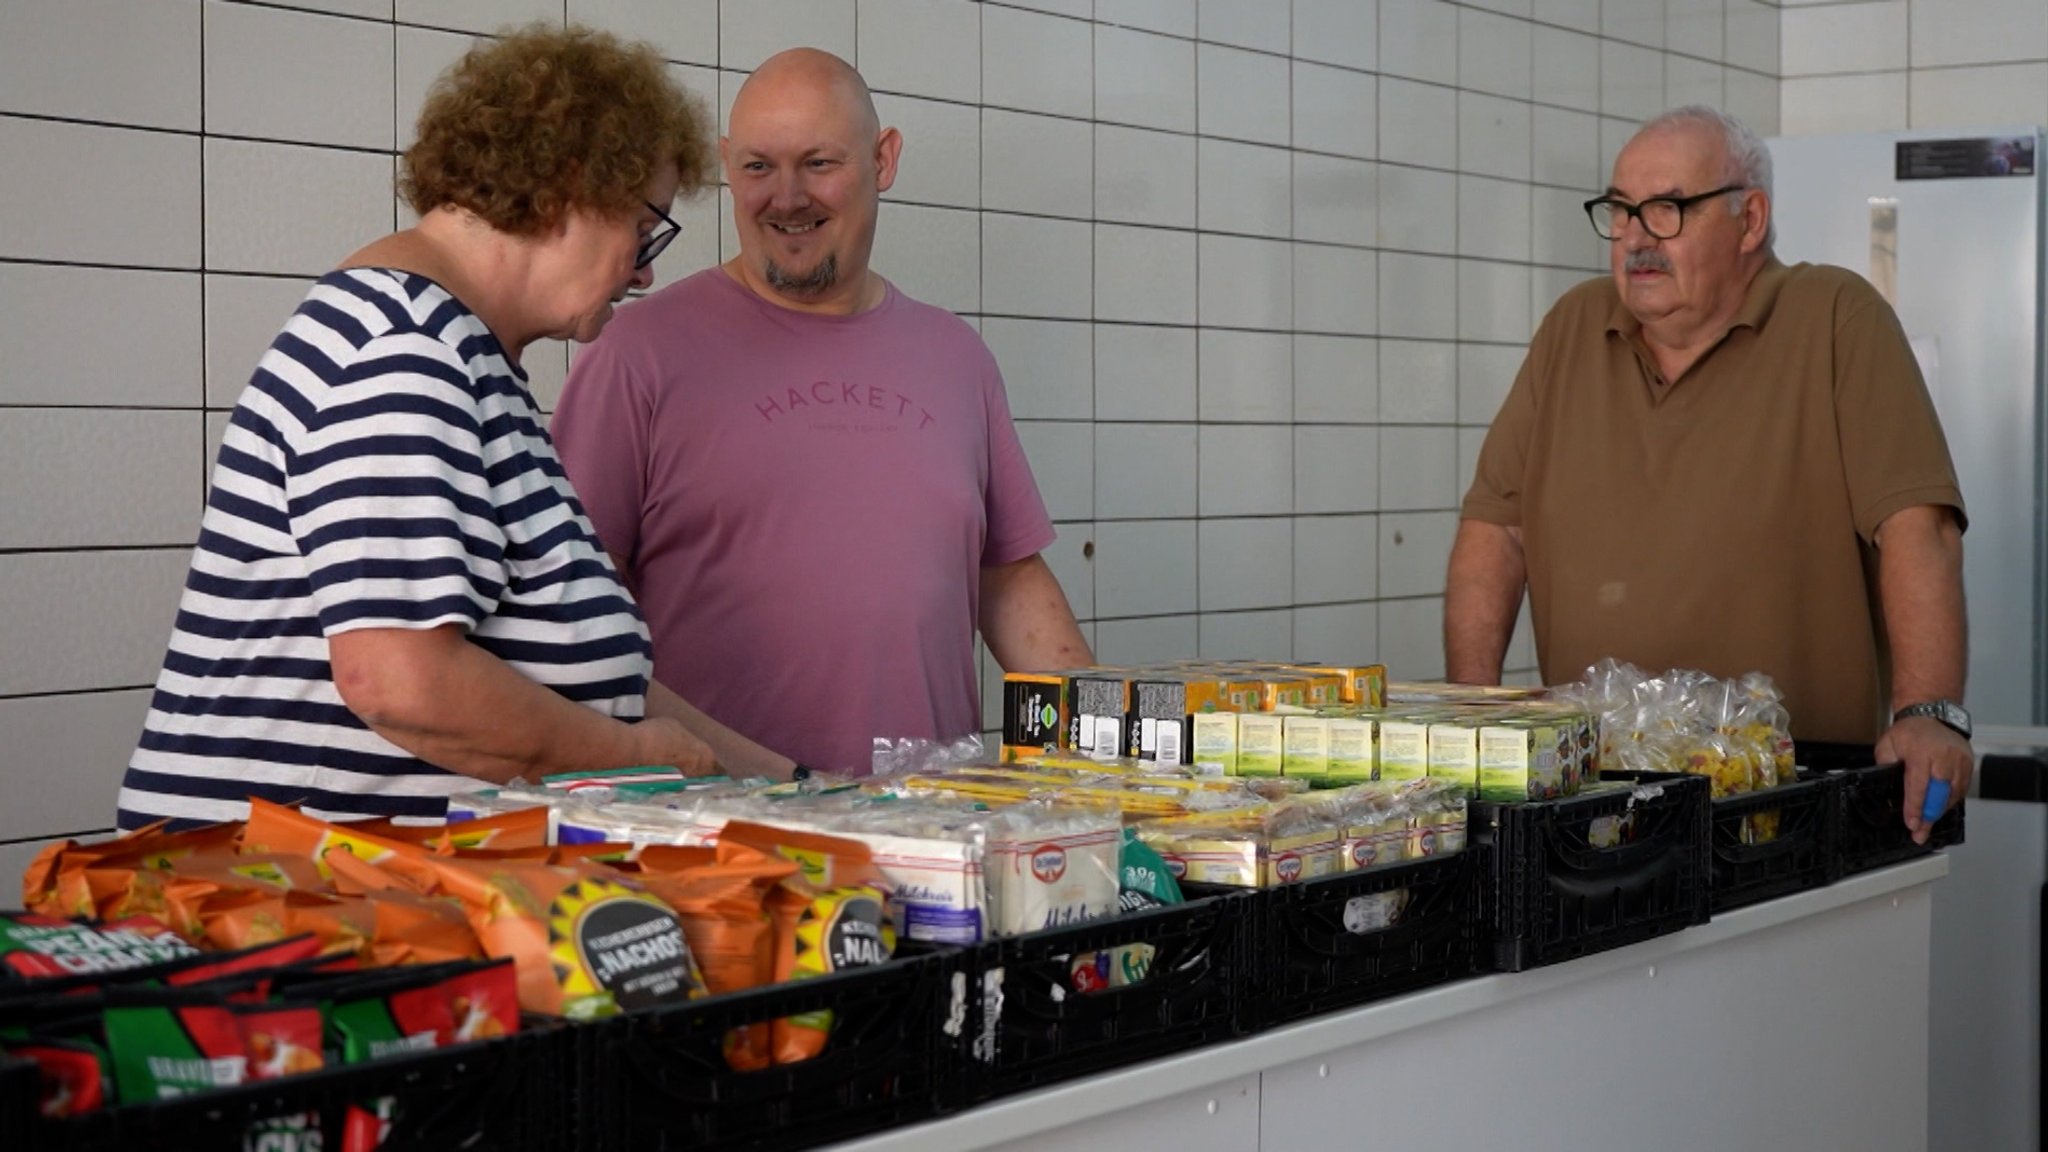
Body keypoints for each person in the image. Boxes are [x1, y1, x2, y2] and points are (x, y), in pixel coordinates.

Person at [117, 24, 727, 830]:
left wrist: (793, 783)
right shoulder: (400, 349)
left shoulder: (461, 354)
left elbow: (578, 666)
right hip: (296, 919)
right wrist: (640, 762)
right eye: (645, 229)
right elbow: (401, 681)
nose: (645, 269)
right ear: (573, 184)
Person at [552, 48, 1092, 777]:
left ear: (884, 158)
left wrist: (1105, 765)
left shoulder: (956, 357)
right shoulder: (634, 354)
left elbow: (1011, 584)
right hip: (727, 843)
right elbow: (572, 618)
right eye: (756, 168)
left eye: (818, 163)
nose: (787, 196)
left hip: (936, 832)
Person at [1444, 105, 1972, 843]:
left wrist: (1927, 713)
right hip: (1598, 803)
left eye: (1665, 211)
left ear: (1749, 220)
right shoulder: (1573, 325)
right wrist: (1476, 714)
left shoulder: (1835, 317)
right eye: (1621, 212)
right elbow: (1497, 531)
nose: (1634, 239)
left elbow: (1920, 527)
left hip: (1784, 796)